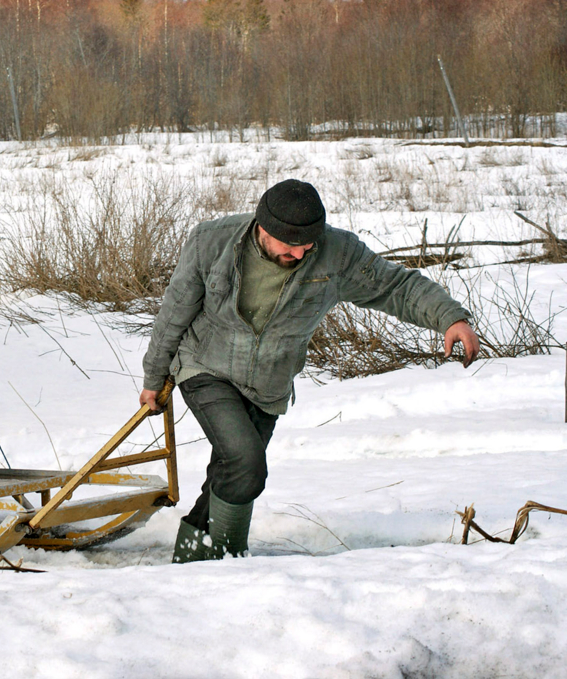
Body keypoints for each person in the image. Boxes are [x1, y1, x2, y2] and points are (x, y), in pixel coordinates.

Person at [139, 179, 480, 563]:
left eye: (309, 244)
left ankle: (193, 556)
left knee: (232, 471)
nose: (301, 253)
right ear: (264, 229)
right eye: (291, 244)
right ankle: (228, 562)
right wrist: (154, 377)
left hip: (269, 383)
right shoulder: (211, 242)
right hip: (206, 367)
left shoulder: (337, 253)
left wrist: (450, 318)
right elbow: (174, 313)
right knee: (245, 462)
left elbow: (394, 285)